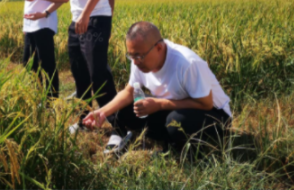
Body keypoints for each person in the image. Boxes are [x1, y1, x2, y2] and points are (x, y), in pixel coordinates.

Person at [23, 0, 117, 134]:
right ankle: (85, 121)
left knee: (98, 75)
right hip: (78, 23)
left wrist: (85, 15)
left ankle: (121, 126)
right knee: (80, 73)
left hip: (95, 20)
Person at [83, 22, 232, 154]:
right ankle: (170, 138)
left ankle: (183, 150)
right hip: (173, 107)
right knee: (127, 111)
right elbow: (129, 92)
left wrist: (160, 104)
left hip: (215, 114)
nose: (135, 62)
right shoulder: (139, 58)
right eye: (131, 56)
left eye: (139, 56)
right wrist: (102, 112)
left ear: (159, 48)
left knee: (175, 122)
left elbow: (205, 103)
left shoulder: (187, 64)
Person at [13, 0, 63, 99]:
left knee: (47, 65)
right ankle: (37, 98)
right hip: (30, 26)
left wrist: (44, 12)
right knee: (29, 65)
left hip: (44, 25)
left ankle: (51, 102)